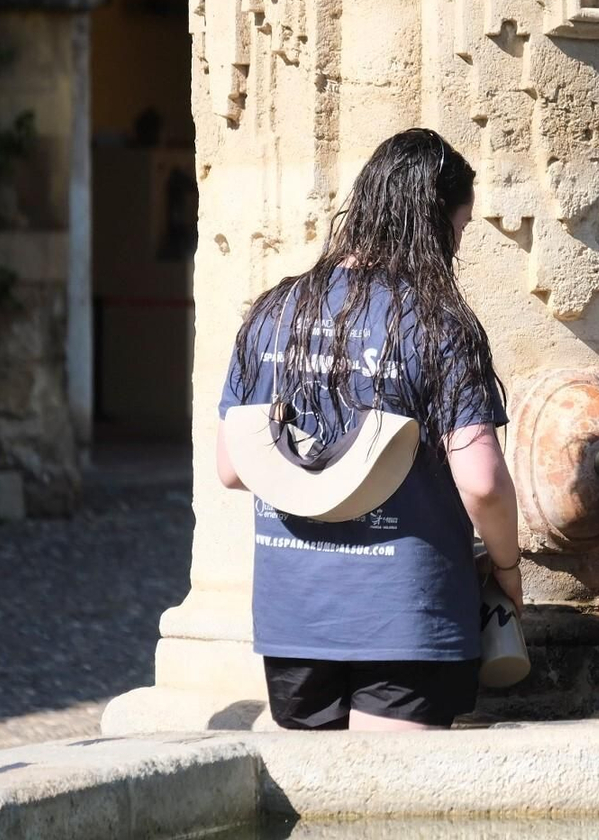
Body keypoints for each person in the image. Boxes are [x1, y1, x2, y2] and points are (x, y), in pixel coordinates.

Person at [215, 128, 518, 731]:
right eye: (457, 231)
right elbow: (481, 481)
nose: (457, 248)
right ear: (433, 228)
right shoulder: (437, 324)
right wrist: (507, 569)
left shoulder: (275, 310)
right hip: (405, 612)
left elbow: (231, 468)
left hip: (296, 615)